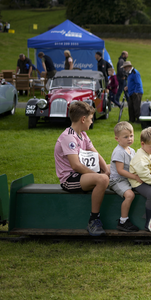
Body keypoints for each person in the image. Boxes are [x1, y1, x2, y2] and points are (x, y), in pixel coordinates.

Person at [54, 101, 110, 236]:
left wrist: (106, 169)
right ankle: (93, 220)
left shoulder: (82, 134)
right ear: (83, 119)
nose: (92, 122)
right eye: (91, 119)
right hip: (70, 178)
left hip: (82, 174)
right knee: (102, 179)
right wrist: (99, 174)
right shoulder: (69, 138)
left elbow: (96, 154)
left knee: (114, 167)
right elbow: (76, 166)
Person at [129, 127, 151, 233]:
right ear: (142, 144)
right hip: (138, 181)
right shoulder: (140, 157)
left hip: (148, 179)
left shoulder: (150, 153)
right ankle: (150, 223)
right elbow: (143, 174)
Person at [108, 121, 140, 232]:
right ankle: (123, 221)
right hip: (118, 180)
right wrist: (135, 177)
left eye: (131, 136)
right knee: (130, 195)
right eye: (126, 137)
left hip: (128, 178)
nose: (129, 139)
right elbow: (120, 171)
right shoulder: (119, 152)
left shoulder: (131, 150)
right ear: (117, 139)